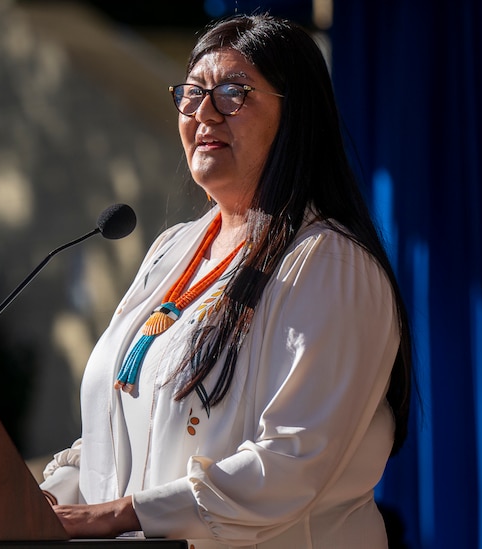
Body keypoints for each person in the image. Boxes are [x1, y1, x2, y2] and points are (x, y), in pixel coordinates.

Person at [38, 13, 413, 549]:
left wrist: (116, 515)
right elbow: (123, 430)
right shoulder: (174, 248)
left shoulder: (328, 265)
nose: (204, 113)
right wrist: (45, 499)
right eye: (191, 94)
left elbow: (291, 463)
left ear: (296, 116)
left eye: (234, 93)